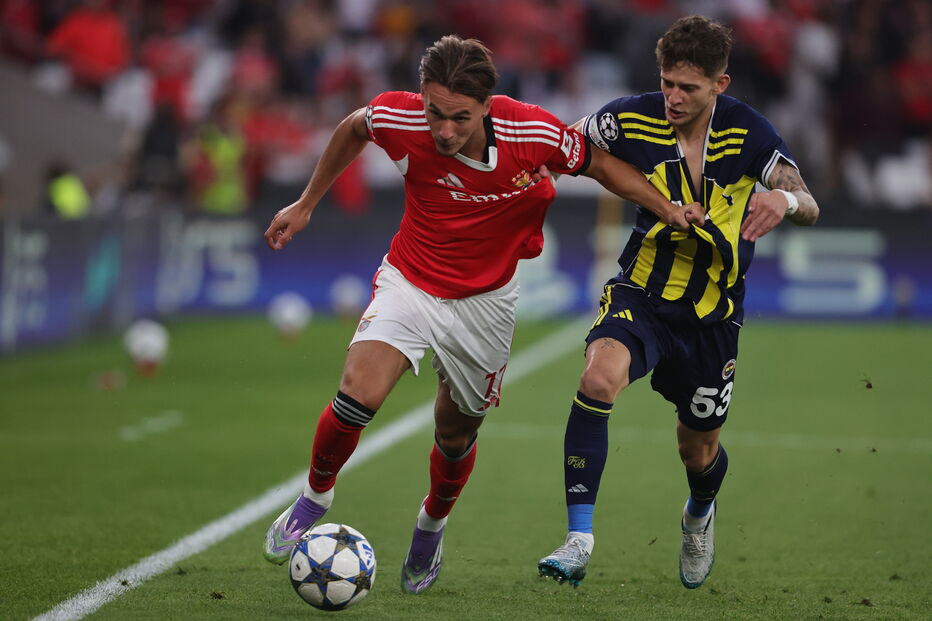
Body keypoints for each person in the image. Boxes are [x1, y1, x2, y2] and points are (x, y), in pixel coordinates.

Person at [261, 34, 696, 594]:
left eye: (459, 118)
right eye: (434, 113)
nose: (443, 130)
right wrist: (305, 204)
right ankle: (316, 495)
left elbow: (602, 166)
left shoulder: (534, 132)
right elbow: (354, 126)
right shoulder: (401, 116)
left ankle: (430, 526)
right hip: (411, 279)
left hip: (487, 302)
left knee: (455, 433)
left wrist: (666, 208)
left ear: (488, 105)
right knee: (358, 392)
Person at [537, 15, 819, 590]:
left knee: (698, 450)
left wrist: (783, 204)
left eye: (687, 87)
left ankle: (698, 515)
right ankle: (578, 538)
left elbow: (808, 200)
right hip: (641, 290)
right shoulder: (627, 116)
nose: (672, 96)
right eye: (667, 82)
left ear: (721, 84)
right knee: (597, 380)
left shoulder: (751, 132)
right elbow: (565, 145)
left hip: (713, 316)